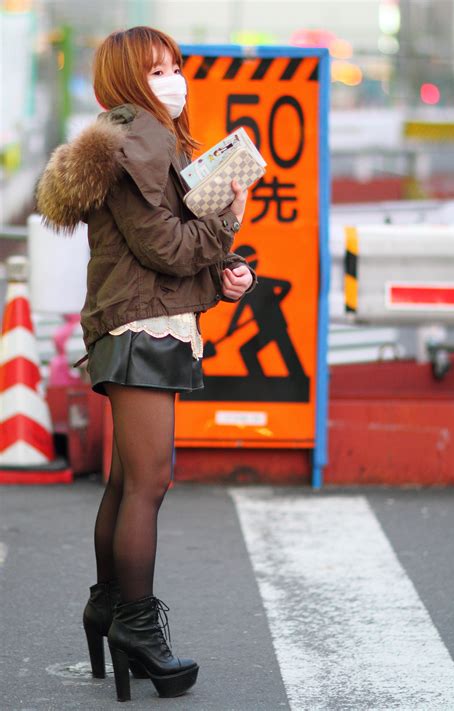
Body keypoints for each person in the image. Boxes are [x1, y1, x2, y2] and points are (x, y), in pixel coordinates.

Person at [36, 26, 256, 703]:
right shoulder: (138, 142)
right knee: (150, 482)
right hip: (140, 331)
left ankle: (109, 607)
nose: (173, 79)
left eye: (176, 66)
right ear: (127, 81)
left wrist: (220, 277)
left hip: (136, 322)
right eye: (156, 70)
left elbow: (149, 258)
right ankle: (136, 626)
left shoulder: (140, 139)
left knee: (128, 479)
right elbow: (163, 245)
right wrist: (227, 217)